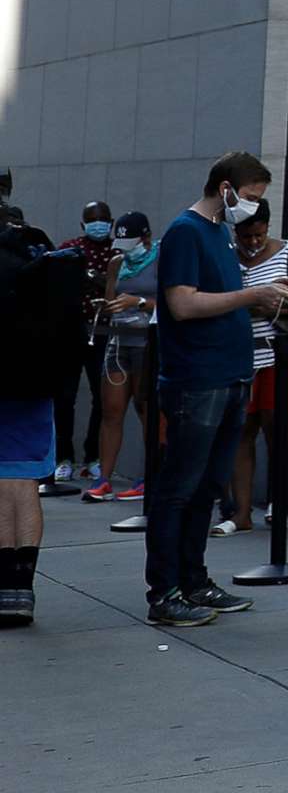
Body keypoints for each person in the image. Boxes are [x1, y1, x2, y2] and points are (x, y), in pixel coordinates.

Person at [144, 152, 288, 628]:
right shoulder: (187, 231)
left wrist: (261, 298)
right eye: (250, 197)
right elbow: (183, 304)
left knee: (207, 486)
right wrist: (252, 295)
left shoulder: (218, 235)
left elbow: (214, 301)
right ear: (226, 187)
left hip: (229, 374)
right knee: (180, 488)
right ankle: (165, 590)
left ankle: (194, 580)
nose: (253, 208)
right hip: (197, 378)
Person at [2, 210, 89, 626]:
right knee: (25, 484)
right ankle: (23, 588)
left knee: (1, 486)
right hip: (37, 386)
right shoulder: (39, 252)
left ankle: (4, 589)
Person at [219, 200, 288, 537]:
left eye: (259, 234)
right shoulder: (226, 255)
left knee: (277, 422)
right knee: (242, 428)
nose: (252, 242)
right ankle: (242, 511)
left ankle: (279, 497)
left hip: (282, 352)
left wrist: (273, 309)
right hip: (241, 352)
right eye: (246, 236)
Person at [84, 214, 156, 503]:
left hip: (147, 341)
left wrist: (139, 302)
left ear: (146, 237)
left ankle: (150, 475)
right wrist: (107, 305)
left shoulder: (161, 257)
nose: (126, 249)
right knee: (111, 410)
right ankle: (104, 479)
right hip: (119, 340)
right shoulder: (117, 262)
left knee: (145, 408)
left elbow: (176, 300)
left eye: (131, 242)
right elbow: (113, 296)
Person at [50, 202, 117, 486]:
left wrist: (94, 278)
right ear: (82, 224)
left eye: (103, 219)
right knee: (65, 397)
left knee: (103, 399)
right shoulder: (71, 249)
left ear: (111, 223)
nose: (98, 224)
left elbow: (116, 287)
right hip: (72, 332)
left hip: (104, 332)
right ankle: (63, 458)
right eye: (92, 220)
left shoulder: (118, 252)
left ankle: (93, 458)